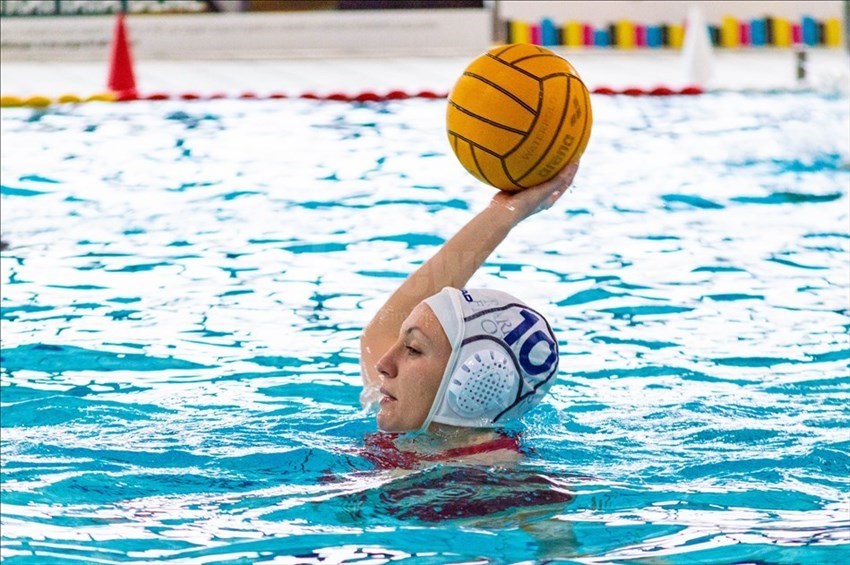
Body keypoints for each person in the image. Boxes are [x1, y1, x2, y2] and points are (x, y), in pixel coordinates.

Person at [359, 161, 581, 468]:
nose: (384, 364)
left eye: (412, 349)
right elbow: (378, 332)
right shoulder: (411, 421)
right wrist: (505, 211)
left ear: (473, 379)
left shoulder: (508, 493)